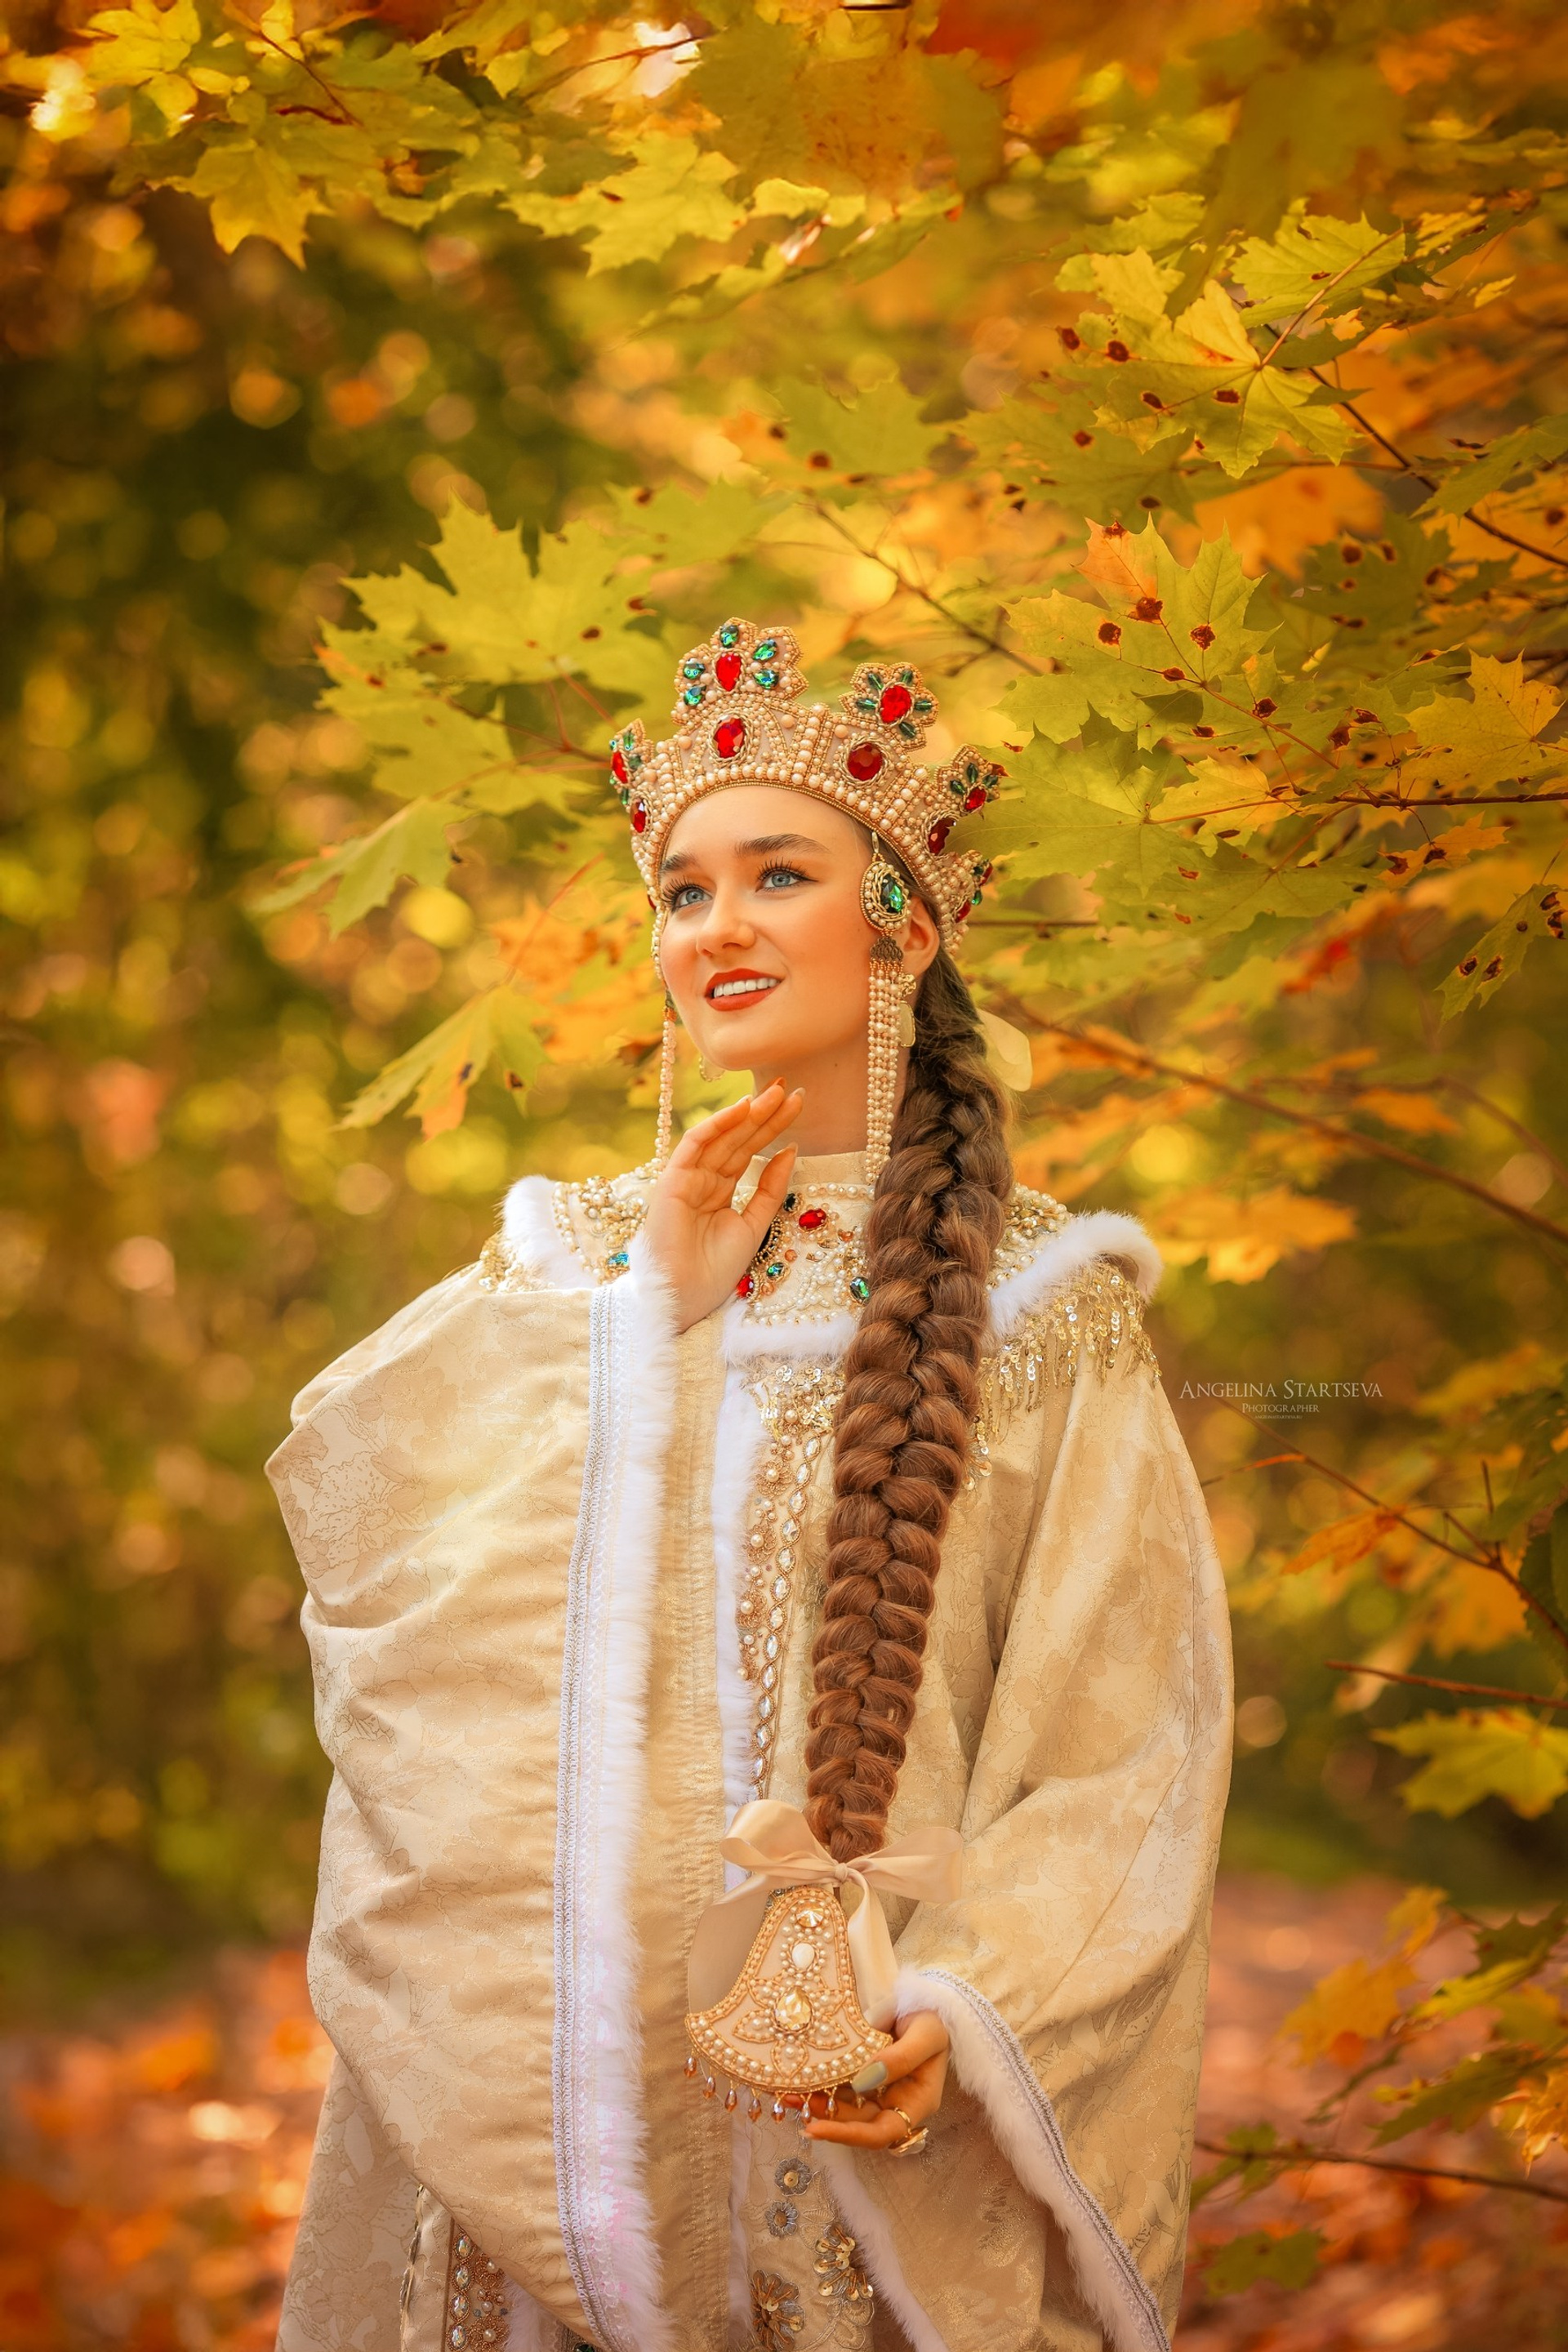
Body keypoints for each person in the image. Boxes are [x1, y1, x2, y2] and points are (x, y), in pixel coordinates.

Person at [268, 621, 1232, 2352]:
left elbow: (1128, 1742)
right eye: (683, 891)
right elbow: (375, 1553)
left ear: (905, 926)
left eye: (778, 874)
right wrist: (648, 1324)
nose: (715, 926)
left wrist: (973, 2005)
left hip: (862, 2111)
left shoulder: (1045, 1310)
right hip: (570, 2112)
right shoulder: (569, 1268)